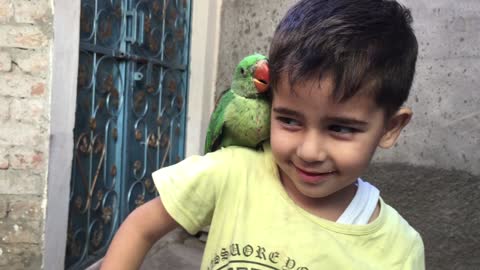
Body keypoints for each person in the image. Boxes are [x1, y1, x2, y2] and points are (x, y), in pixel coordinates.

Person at [101, 0, 425, 269]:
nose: (309, 151)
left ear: (390, 128)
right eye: (289, 120)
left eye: (340, 128)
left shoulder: (399, 249)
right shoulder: (230, 170)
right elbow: (139, 229)